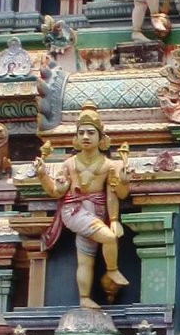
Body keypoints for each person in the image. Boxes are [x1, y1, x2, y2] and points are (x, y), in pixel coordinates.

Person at [35, 105, 130, 305]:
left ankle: (84, 298)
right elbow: (56, 191)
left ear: (101, 137)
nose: (85, 137)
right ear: (76, 138)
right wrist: (43, 174)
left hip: (96, 211)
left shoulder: (109, 165)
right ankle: (112, 271)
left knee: (86, 259)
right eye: (81, 133)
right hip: (74, 210)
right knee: (110, 238)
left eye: (90, 132)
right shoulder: (69, 164)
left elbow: (118, 193)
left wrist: (124, 181)